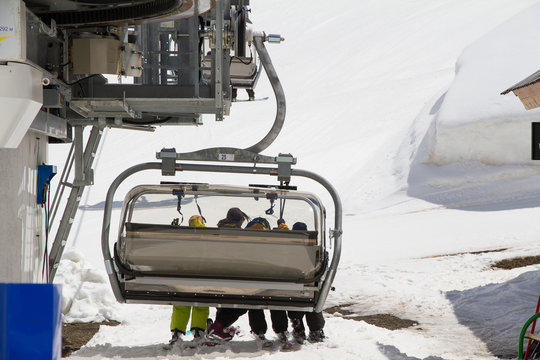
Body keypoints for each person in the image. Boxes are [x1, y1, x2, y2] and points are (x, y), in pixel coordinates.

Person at [168, 215, 210, 346]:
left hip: (184, 276)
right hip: (203, 275)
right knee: (201, 304)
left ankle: (177, 331)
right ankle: (198, 329)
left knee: (181, 304)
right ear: (202, 222)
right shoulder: (208, 236)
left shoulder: (182, 236)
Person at [287, 221, 326, 343]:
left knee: (295, 297)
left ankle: (298, 325)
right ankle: (316, 329)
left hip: (292, 285)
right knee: (313, 299)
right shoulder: (313, 249)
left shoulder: (288, 250)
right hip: (310, 284)